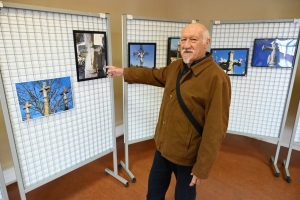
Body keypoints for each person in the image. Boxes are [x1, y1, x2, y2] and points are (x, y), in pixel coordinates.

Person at [107, 23, 231, 200]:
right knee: (154, 195)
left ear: (206, 43)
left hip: (188, 157)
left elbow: (215, 129)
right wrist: (123, 72)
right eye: (183, 39)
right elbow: (153, 74)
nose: (186, 45)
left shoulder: (217, 79)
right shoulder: (176, 67)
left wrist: (202, 168)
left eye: (193, 40)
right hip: (163, 149)